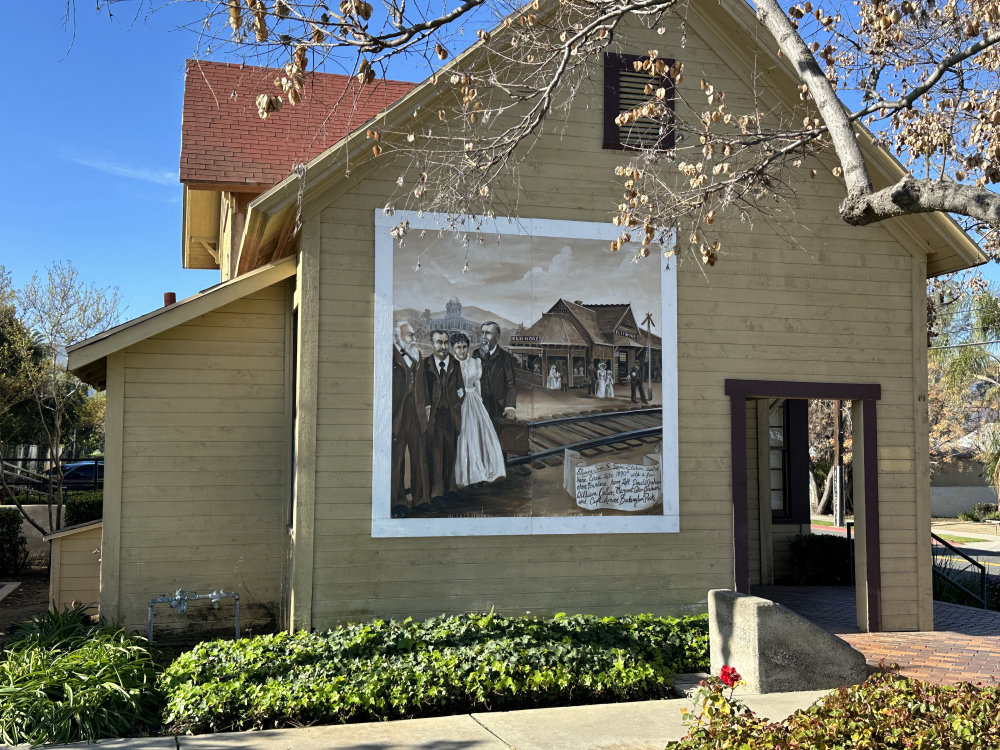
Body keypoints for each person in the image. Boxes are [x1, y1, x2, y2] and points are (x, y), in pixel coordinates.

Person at [451, 332, 506, 486]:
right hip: (459, 403)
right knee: (465, 435)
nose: (462, 351)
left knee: (479, 435)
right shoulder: (452, 364)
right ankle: (468, 475)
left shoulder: (475, 362)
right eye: (458, 347)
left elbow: (477, 384)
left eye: (464, 347)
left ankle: (481, 472)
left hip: (474, 400)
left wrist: (479, 399)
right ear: (453, 349)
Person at [390, 322, 429, 518]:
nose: (414, 339)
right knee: (396, 460)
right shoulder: (389, 355)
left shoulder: (417, 354)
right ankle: (398, 502)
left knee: (419, 456)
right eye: (409, 335)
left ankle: (421, 499)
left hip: (416, 414)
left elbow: (423, 385)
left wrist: (426, 407)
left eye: (414, 335)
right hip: (397, 415)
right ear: (397, 337)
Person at [423, 329, 465, 506]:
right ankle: (437, 492)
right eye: (439, 342)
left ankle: (451, 489)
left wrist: (456, 401)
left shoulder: (455, 364)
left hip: (451, 415)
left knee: (451, 452)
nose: (443, 346)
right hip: (434, 416)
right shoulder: (425, 365)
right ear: (432, 344)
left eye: (446, 342)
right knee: (436, 454)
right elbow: (423, 390)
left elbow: (461, 389)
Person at [474, 321, 518, 436]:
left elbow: (511, 384)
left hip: (498, 407)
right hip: (480, 405)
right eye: (482, 333)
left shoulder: (505, 357)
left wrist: (510, 407)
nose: (483, 337)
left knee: (499, 440)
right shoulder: (476, 354)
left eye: (488, 333)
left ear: (497, 336)